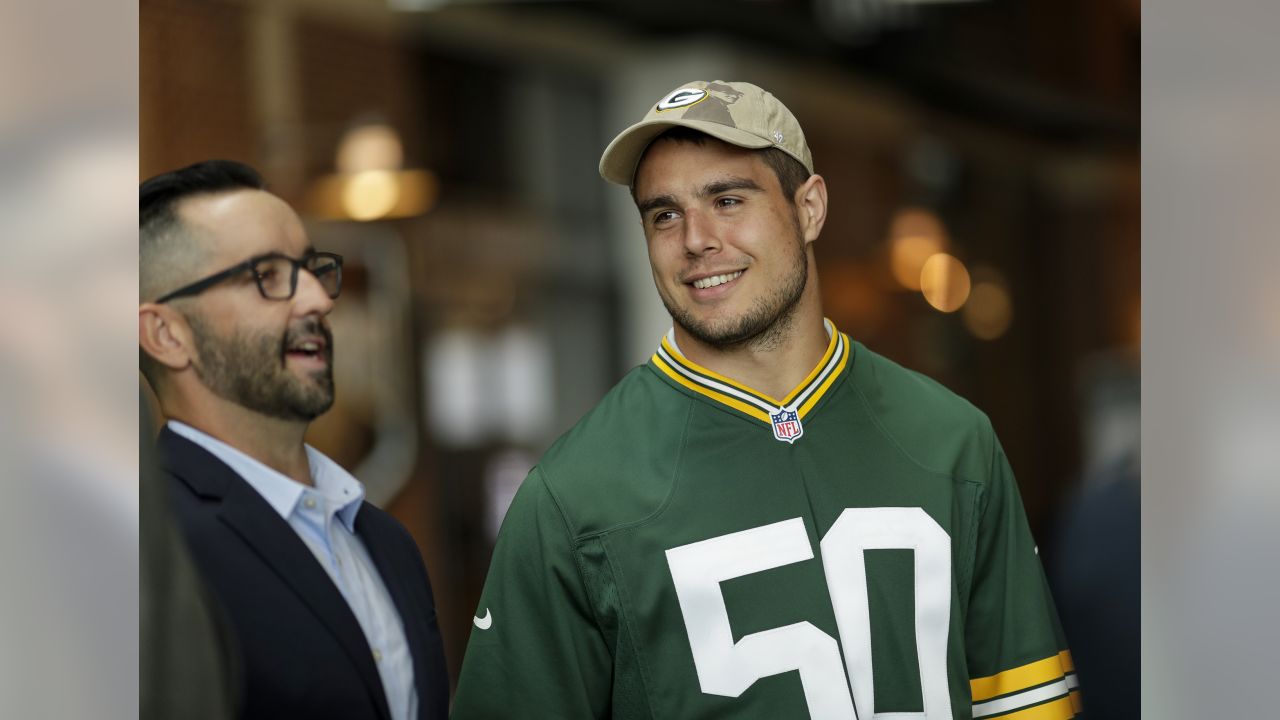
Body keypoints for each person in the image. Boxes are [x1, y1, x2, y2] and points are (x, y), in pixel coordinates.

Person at [452, 81, 1078, 719]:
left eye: (727, 200)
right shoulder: (574, 492)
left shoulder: (952, 438)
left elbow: (1027, 703)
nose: (695, 239)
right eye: (663, 214)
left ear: (809, 208)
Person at [138, 160, 448, 720]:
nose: (318, 301)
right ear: (167, 333)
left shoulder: (387, 542)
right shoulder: (151, 552)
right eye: (268, 275)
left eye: (309, 268)